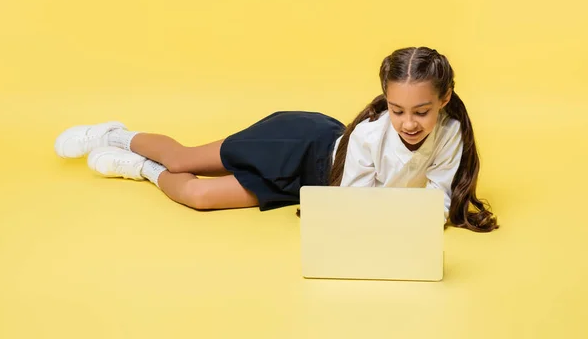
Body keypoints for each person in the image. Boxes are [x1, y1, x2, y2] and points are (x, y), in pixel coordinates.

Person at [54, 47, 498, 232]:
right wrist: (404, 221)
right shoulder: (368, 134)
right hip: (302, 145)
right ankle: (115, 134)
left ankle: (140, 170)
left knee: (199, 195)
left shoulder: (451, 134)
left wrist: (421, 225)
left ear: (443, 100)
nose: (408, 123)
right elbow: (356, 204)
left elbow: (438, 199)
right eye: (397, 110)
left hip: (316, 188)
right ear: (385, 101)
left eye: (421, 111)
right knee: (186, 157)